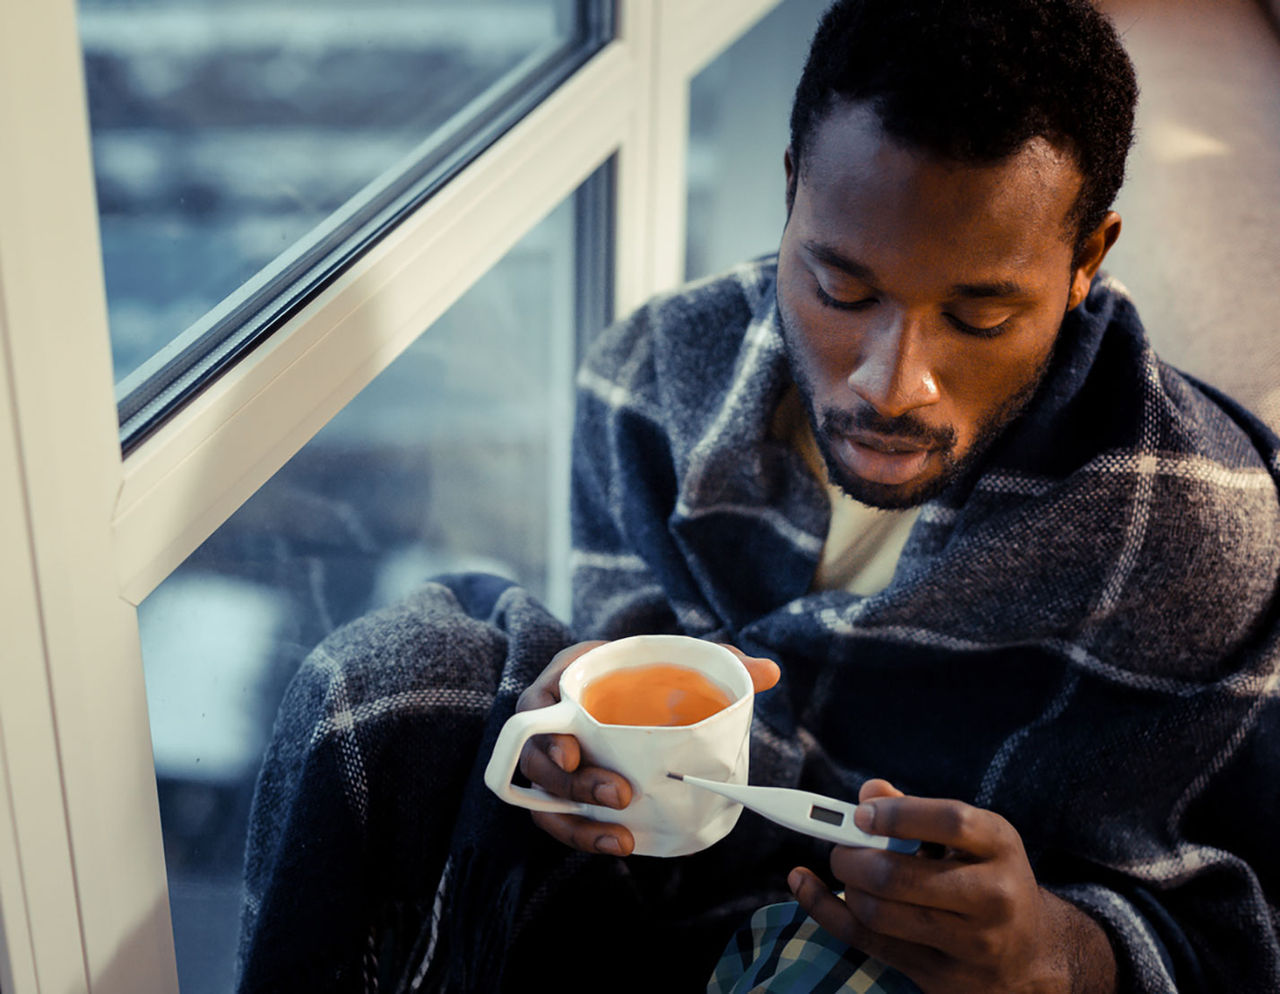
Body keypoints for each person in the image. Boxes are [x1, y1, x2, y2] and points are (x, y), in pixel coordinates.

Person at [236, 2, 1280, 992]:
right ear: (791, 192)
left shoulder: (1189, 530)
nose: (891, 383)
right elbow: (623, 724)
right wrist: (582, 748)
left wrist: (1061, 952)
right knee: (388, 682)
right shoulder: (650, 381)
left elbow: (1245, 923)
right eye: (841, 290)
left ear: (1085, 258)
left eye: (978, 316)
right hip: (658, 902)